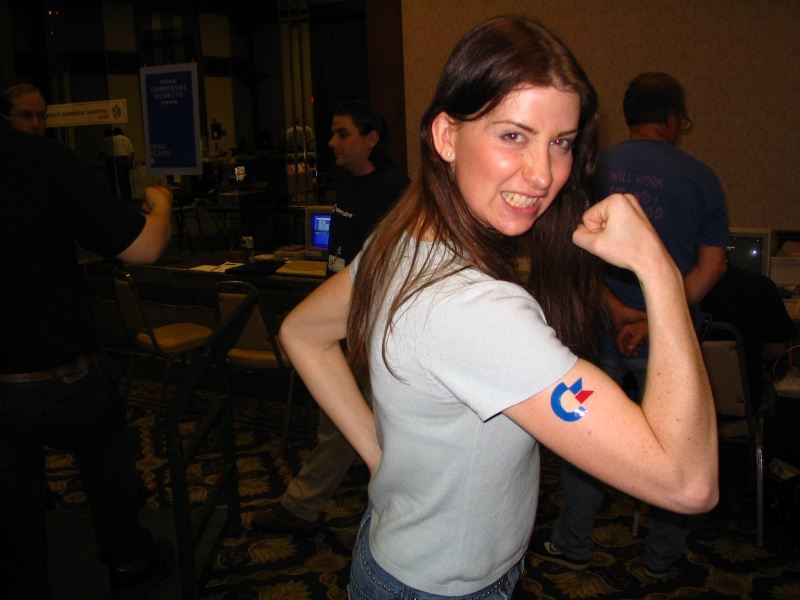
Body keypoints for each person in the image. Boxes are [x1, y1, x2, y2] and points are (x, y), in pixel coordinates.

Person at [275, 17, 719, 599]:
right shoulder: (475, 309)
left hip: (399, 557)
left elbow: (302, 332)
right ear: (446, 136)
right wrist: (659, 272)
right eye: (513, 135)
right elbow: (688, 483)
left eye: (561, 142)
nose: (543, 175)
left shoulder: (406, 234)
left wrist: (381, 457)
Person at [538, 71, 729, 579]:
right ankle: (662, 558)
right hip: (667, 341)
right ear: (672, 119)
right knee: (674, 444)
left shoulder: (592, 166)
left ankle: (573, 542)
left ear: (628, 116)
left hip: (597, 325)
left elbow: (573, 252)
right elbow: (712, 266)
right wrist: (653, 321)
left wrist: (613, 310)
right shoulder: (701, 176)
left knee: (585, 433)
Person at [0, 113, 175, 598]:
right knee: (104, 447)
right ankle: (128, 558)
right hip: (60, 373)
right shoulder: (40, 159)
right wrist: (161, 205)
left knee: (12, 509)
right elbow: (144, 248)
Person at [252, 100, 409, 534]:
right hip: (340, 318)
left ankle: (301, 507)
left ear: (371, 139)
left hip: (368, 322)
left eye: (343, 134)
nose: (332, 142)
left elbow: (390, 263)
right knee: (346, 419)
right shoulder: (349, 181)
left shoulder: (394, 187)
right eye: (334, 133)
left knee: (341, 421)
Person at [700, 263, 796, 410]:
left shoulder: (672, 288)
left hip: (685, 405)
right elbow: (776, 350)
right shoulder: (761, 286)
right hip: (746, 402)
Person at [99, 126, 136, 203]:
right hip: (126, 159)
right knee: (126, 179)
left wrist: (99, 159)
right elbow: (132, 152)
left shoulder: (111, 140)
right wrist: (131, 162)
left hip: (115, 160)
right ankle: (129, 197)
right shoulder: (126, 139)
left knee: (118, 180)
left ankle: (122, 198)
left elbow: (101, 152)